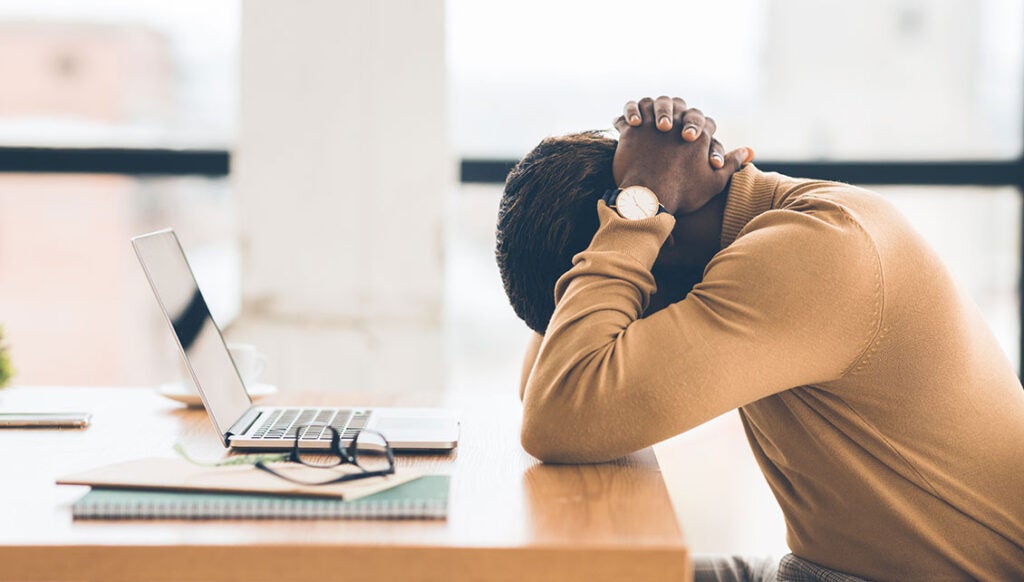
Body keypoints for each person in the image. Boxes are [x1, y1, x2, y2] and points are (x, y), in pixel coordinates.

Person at [495, 96, 1024, 580]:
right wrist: (642, 197)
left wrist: (640, 204)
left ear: (661, 242)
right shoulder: (761, 233)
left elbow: (559, 413)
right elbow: (544, 384)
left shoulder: (811, 251)